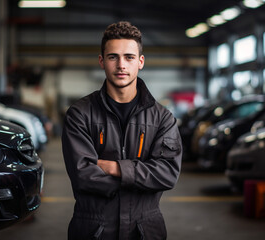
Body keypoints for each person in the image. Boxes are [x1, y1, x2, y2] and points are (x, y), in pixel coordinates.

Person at [61, 21, 182, 240]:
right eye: (113, 57)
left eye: (129, 57)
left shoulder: (163, 119)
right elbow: (83, 175)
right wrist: (142, 178)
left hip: (145, 230)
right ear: (101, 61)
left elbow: (167, 174)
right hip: (93, 229)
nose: (121, 65)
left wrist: (116, 168)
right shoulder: (79, 114)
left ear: (141, 62)